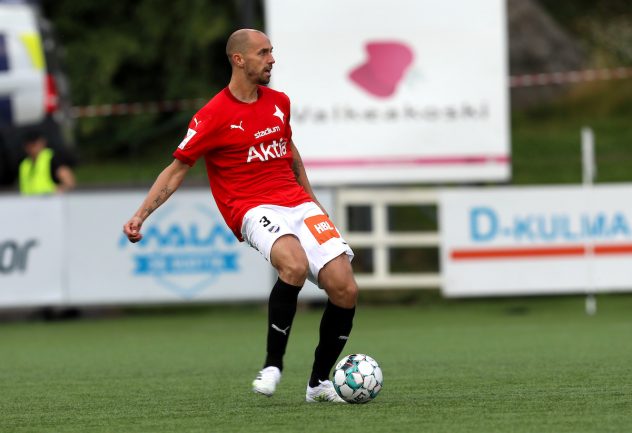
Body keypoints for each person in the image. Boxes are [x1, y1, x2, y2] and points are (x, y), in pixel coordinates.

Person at [122, 29, 358, 403]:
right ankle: (273, 365)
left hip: (297, 202)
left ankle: (318, 384)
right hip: (251, 207)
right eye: (264, 53)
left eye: (272, 51)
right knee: (293, 265)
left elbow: (289, 152)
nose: (272, 59)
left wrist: (314, 203)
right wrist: (141, 214)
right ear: (239, 59)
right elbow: (177, 169)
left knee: (345, 288)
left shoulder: (279, 101)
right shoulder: (212, 115)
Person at [19, 129, 76, 195]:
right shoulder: (24, 165)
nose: (31, 148)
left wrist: (58, 191)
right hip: (29, 204)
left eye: (34, 144)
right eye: (29, 145)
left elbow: (70, 183)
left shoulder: (52, 159)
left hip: (50, 203)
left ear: (42, 142)